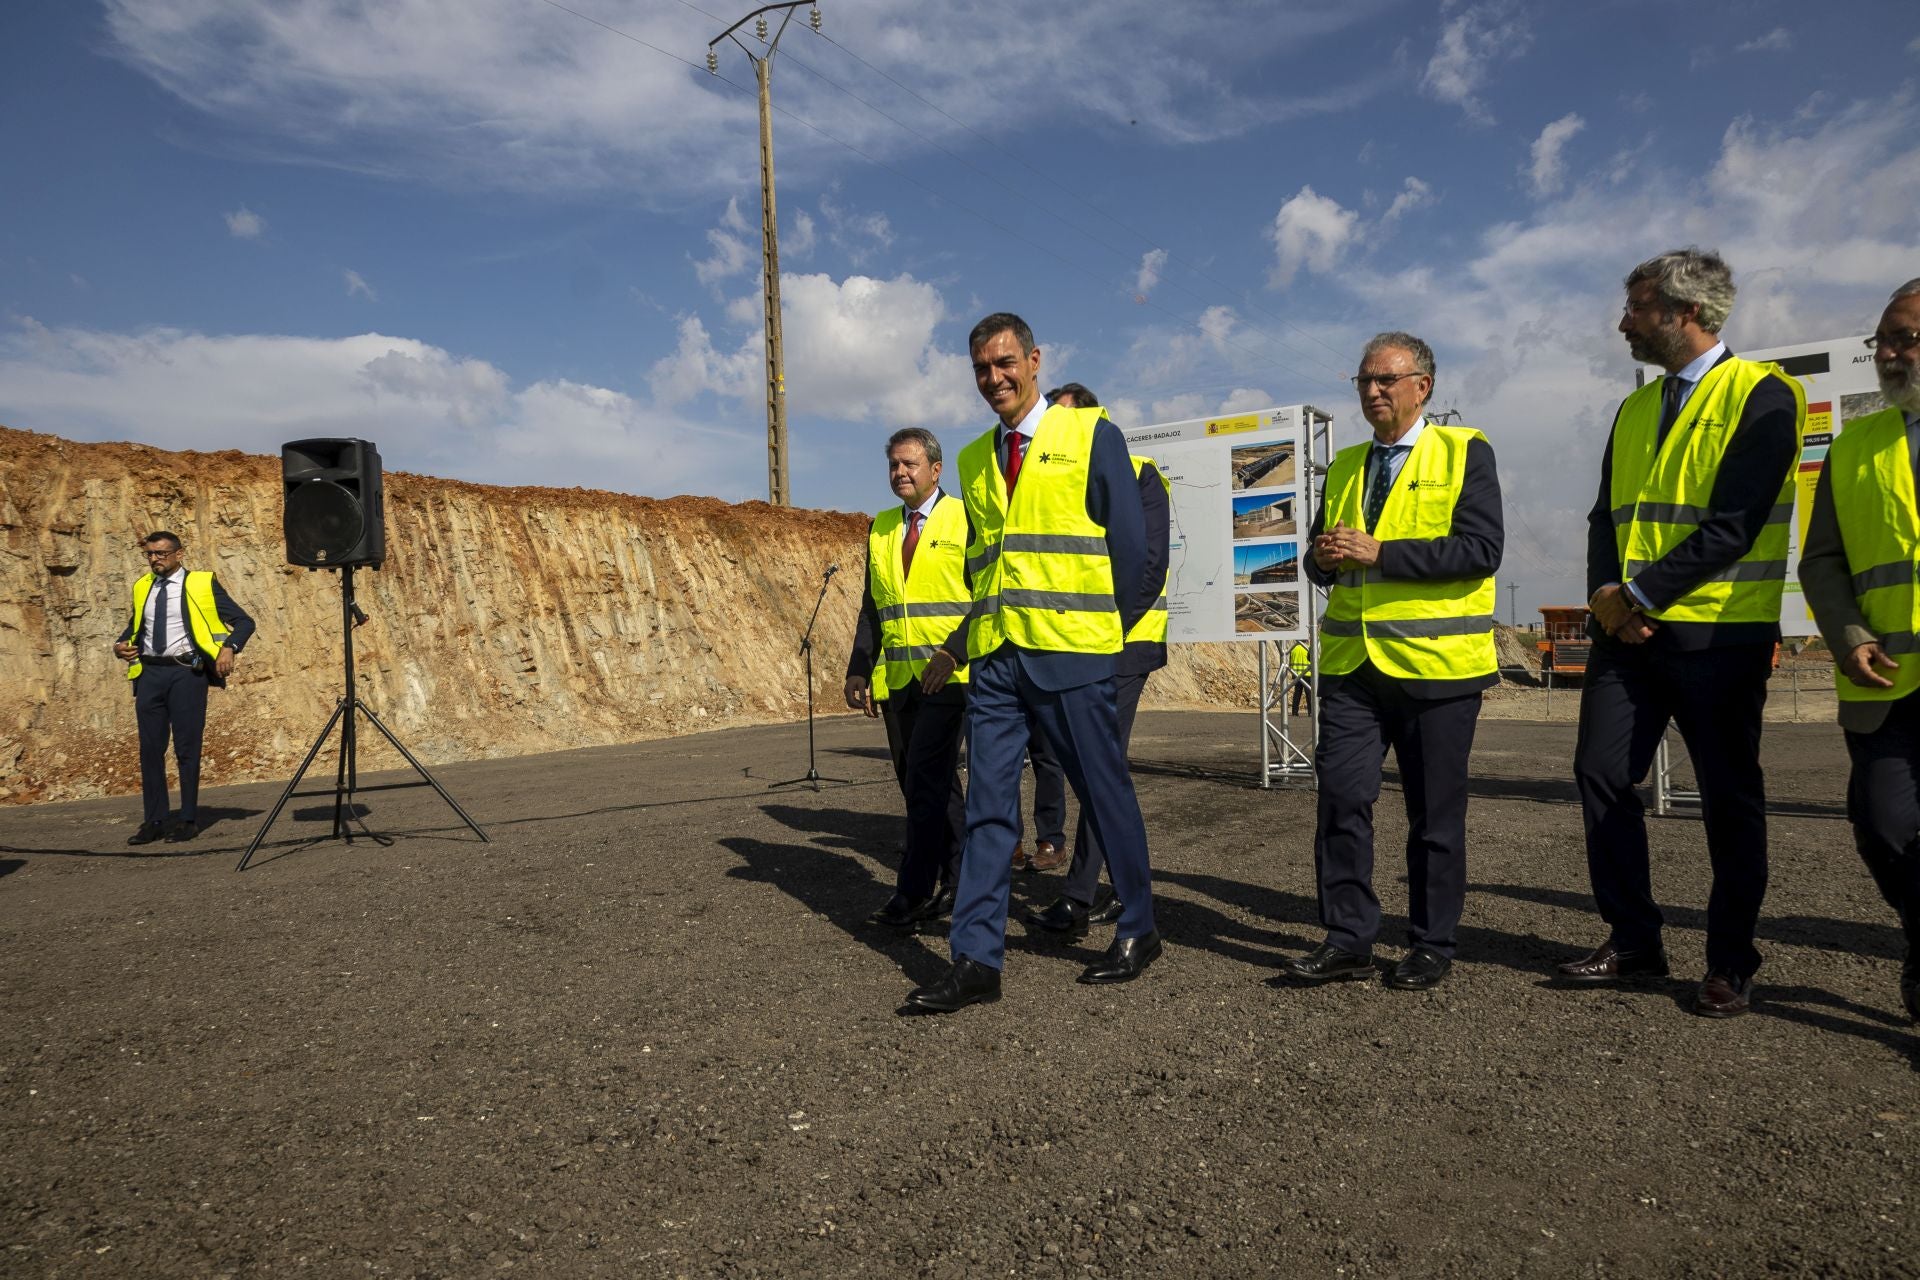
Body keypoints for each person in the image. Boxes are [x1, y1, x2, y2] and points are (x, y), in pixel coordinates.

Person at [1559, 248, 1805, 1019]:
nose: (1622, 322)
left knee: (1729, 800)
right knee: (1601, 775)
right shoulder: (1635, 408)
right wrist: (1608, 596)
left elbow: (1734, 522)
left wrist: (1636, 593)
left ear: (1685, 311)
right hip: (1626, 639)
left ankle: (1732, 961)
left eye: (1636, 307)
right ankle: (1634, 940)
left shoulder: (1764, 394)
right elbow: (1607, 516)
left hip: (1719, 637)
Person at [903, 313, 1158, 1013]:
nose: (994, 379)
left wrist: (1105, 636)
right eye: (982, 368)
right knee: (989, 809)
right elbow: (989, 565)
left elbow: (1131, 553)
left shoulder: (1089, 433)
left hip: (1074, 653)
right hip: (996, 661)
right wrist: (969, 645)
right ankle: (976, 959)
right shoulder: (976, 459)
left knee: (1104, 793)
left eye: (1005, 362)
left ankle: (1139, 925)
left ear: (1035, 360)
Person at [1276, 332, 1504, 992]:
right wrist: (1320, 559)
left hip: (1439, 670)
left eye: (1386, 380)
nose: (1372, 391)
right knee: (1342, 799)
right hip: (1353, 669)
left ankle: (1432, 942)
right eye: (1364, 381)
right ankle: (1348, 936)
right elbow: (1319, 562)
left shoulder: (1465, 452)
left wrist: (1382, 553)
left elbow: (1481, 550)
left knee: (1434, 816)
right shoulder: (1345, 465)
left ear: (1422, 386)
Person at [1796, 277, 1920, 1024]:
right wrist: (1847, 635)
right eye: (1883, 339)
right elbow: (1822, 561)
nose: (1890, 353)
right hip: (1887, 677)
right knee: (1882, 824)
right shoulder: (1856, 443)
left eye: (1906, 338)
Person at [1023, 438, 1172, 937]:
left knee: (1101, 770)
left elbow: (1149, 567)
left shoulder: (1139, 472)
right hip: (1072, 647)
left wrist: (1107, 629)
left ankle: (1081, 898)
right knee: (1093, 771)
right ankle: (1091, 894)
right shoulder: (1057, 474)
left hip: (1124, 645)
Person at [844, 430, 973, 928]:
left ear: (936, 470)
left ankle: (914, 892)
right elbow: (873, 607)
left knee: (926, 785)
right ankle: (957, 881)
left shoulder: (966, 519)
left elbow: (986, 595)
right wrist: (860, 667)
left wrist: (954, 653)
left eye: (910, 464)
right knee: (922, 786)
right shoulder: (880, 530)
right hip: (899, 682)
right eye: (894, 465)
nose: (900, 473)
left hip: (950, 678)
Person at [1010, 382, 1104, 876]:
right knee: (1001, 763)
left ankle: (1053, 842)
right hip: (1014, 643)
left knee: (1058, 762)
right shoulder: (1024, 473)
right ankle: (1011, 844)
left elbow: (1138, 565)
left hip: (1072, 647)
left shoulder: (1117, 470)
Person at [112, 530, 257, 844]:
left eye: (161, 554)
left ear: (179, 554)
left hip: (186, 675)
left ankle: (188, 819)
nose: (155, 560)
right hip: (149, 673)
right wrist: (120, 644)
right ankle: (154, 821)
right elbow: (136, 625)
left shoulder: (202, 583)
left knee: (186, 749)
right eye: (150, 554)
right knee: (150, 751)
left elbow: (245, 621)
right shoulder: (142, 586)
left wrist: (229, 647)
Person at [1288, 639, 1313, 716]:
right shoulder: (1308, 648)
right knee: (1309, 694)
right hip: (1307, 674)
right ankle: (1311, 712)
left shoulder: (1293, 649)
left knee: (1297, 693)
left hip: (1296, 674)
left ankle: (1294, 712)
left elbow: (1290, 662)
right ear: (1306, 640)